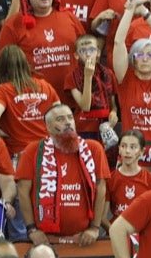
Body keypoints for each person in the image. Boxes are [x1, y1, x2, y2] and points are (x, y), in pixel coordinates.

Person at [17, 104, 110, 246]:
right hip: (46, 240)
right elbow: (23, 191)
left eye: (70, 118)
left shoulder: (93, 148)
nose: (67, 122)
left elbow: (101, 187)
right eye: (60, 119)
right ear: (47, 127)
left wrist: (94, 227)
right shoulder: (34, 150)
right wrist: (32, 229)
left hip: (84, 238)